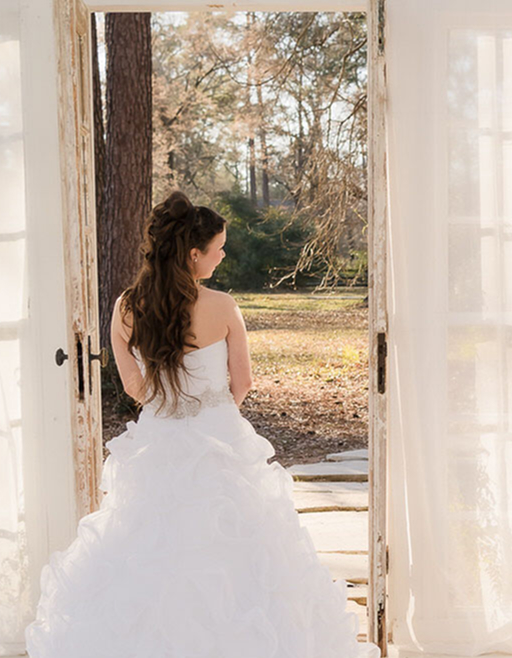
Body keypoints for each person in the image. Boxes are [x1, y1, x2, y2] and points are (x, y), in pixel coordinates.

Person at [25, 192, 376, 658]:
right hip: (220, 438)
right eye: (219, 247)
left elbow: (134, 387)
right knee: (243, 552)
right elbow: (244, 380)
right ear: (194, 253)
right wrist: (211, 412)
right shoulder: (223, 305)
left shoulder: (127, 307)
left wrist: (173, 407)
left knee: (149, 547)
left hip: (160, 440)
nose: (223, 254)